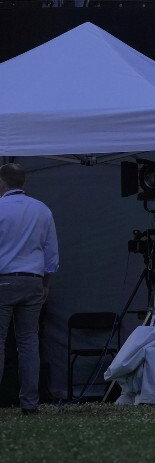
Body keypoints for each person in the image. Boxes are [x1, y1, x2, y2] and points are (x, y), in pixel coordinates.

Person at [0, 162, 59, 415]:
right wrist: (45, 285)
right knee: (28, 342)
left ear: (2, 183)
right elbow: (52, 254)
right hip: (33, 280)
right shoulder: (42, 209)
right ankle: (30, 404)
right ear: (24, 181)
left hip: (4, 280)